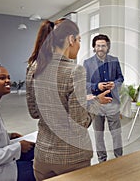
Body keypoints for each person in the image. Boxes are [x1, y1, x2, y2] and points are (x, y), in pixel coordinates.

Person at [27, 19, 112, 180]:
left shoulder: (34, 67)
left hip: (42, 156)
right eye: (79, 40)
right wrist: (96, 102)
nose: (79, 45)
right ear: (71, 39)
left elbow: (34, 112)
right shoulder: (75, 71)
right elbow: (79, 123)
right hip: (71, 157)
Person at [83, 34, 124, 163]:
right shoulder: (87, 63)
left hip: (112, 102)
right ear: (94, 47)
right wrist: (97, 86)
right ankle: (102, 160)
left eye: (103, 45)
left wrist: (115, 84)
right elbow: (84, 83)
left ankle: (119, 157)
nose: (101, 48)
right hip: (96, 103)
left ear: (108, 47)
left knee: (116, 133)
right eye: (98, 45)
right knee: (98, 134)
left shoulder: (114, 60)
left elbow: (120, 78)